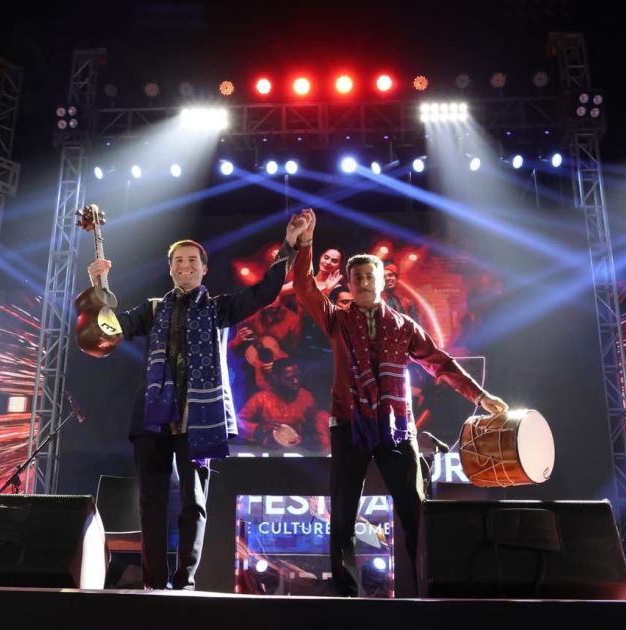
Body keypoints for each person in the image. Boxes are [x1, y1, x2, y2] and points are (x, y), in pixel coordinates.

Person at [291, 208, 508, 596]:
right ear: (349, 284)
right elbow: (306, 288)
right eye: (357, 277)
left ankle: (427, 588)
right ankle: (346, 596)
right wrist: (306, 241)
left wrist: (479, 395)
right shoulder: (337, 320)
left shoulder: (403, 326)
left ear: (380, 282)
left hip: (396, 428)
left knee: (414, 511)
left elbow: (441, 363)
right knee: (343, 513)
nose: (362, 282)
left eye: (368, 276)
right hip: (349, 425)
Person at [86, 213, 307, 590]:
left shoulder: (219, 308)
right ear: (170, 269)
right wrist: (97, 287)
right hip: (153, 418)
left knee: (194, 502)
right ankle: (154, 583)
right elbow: (110, 331)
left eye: (192, 260)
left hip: (199, 419)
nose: (184, 265)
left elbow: (266, 291)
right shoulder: (153, 309)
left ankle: (185, 581)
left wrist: (289, 244)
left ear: (205, 269)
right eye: (178, 260)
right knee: (151, 502)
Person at [238, 358, 330, 452]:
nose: (296, 381)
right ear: (275, 378)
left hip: (297, 451)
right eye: (289, 378)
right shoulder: (261, 398)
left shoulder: (306, 396)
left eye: (297, 376)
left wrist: (305, 439)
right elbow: (239, 423)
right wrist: (258, 429)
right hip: (267, 451)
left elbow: (314, 427)